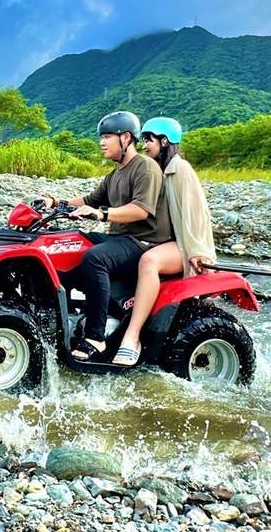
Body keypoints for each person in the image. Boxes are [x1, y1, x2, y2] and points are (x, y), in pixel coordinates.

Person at [39, 111, 172, 361]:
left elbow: (141, 210)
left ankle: (96, 337)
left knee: (95, 258)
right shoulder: (115, 174)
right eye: (101, 137)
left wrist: (102, 214)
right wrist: (55, 202)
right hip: (121, 239)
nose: (102, 142)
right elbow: (90, 200)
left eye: (107, 136)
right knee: (70, 244)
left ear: (126, 138)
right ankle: (58, 317)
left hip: (144, 242)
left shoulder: (145, 167)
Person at [112, 116, 216, 367]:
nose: (145, 145)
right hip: (167, 241)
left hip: (185, 245)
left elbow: (196, 213)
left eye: (149, 140)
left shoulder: (180, 169)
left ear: (165, 141)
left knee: (149, 261)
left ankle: (132, 336)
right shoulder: (156, 169)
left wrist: (197, 252)